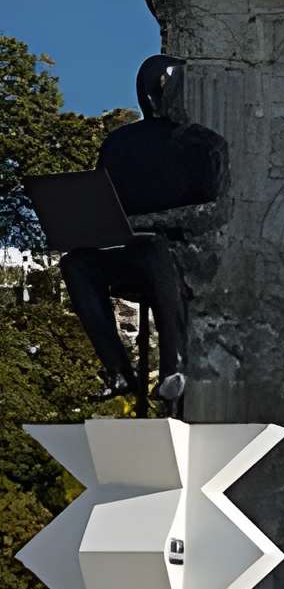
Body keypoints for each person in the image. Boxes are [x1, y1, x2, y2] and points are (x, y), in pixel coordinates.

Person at [58, 55, 227, 410]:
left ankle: (173, 367)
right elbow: (104, 205)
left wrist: (147, 223)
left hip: (189, 256)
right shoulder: (118, 146)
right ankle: (118, 369)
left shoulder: (206, 144)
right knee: (76, 264)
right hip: (133, 252)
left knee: (153, 249)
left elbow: (215, 213)